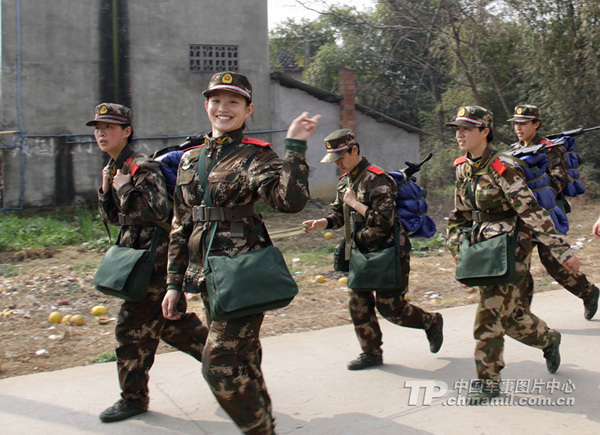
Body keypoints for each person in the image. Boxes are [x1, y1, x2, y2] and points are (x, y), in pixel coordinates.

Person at [162, 71, 320, 435]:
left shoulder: (255, 155)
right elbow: (180, 224)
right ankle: (263, 416)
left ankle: (259, 429)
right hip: (208, 274)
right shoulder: (189, 160)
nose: (223, 108)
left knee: (218, 363)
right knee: (243, 357)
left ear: (248, 110)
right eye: (216, 100)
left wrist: (295, 148)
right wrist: (174, 283)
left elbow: (289, 202)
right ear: (206, 106)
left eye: (233, 102)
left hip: (243, 270)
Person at [445, 105, 581, 404]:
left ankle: (488, 381)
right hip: (481, 250)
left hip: (511, 249)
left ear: (485, 131)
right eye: (457, 129)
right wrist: (457, 248)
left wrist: (562, 251)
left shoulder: (503, 167)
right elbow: (459, 215)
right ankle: (548, 338)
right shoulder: (463, 168)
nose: (460, 134)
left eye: (467, 128)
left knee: (488, 314)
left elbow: (532, 212)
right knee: (511, 318)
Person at [89, 103, 209, 423]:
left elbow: (158, 211)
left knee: (130, 331)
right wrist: (107, 189)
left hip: (155, 262)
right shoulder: (114, 169)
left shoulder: (142, 167)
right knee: (172, 325)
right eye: (98, 128)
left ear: (126, 131)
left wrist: (125, 187)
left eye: (109, 127)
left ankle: (133, 399)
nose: (101, 133)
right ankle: (227, 364)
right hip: (138, 258)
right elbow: (116, 218)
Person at [302, 129, 444, 371]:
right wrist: (321, 223)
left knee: (391, 308)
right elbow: (338, 215)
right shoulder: (344, 182)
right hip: (361, 251)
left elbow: (384, 220)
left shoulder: (378, 180)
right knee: (358, 304)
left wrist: (354, 203)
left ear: (354, 150)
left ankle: (430, 322)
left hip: (389, 251)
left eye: (340, 157)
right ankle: (371, 352)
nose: (337, 164)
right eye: (334, 160)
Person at [508, 104, 598, 320]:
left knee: (554, 263)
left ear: (536, 124)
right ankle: (522, 314)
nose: (518, 127)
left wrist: (535, 187)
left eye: (523, 123)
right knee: (517, 264)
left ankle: (588, 292)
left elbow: (559, 180)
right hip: (523, 216)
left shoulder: (550, 148)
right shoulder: (513, 150)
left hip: (548, 214)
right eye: (516, 123)